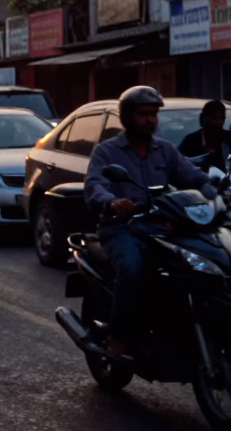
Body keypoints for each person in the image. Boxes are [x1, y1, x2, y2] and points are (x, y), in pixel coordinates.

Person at [85, 85, 217, 361]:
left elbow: (194, 178)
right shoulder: (107, 152)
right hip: (122, 229)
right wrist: (112, 202)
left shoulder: (165, 150)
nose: (150, 121)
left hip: (161, 229)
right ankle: (118, 338)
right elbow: (95, 185)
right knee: (132, 270)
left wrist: (217, 196)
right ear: (126, 117)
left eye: (154, 115)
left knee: (203, 263)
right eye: (143, 114)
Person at [178, 100, 231, 172]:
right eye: (214, 118)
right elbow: (179, 165)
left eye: (221, 118)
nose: (218, 122)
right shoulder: (190, 142)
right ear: (202, 118)